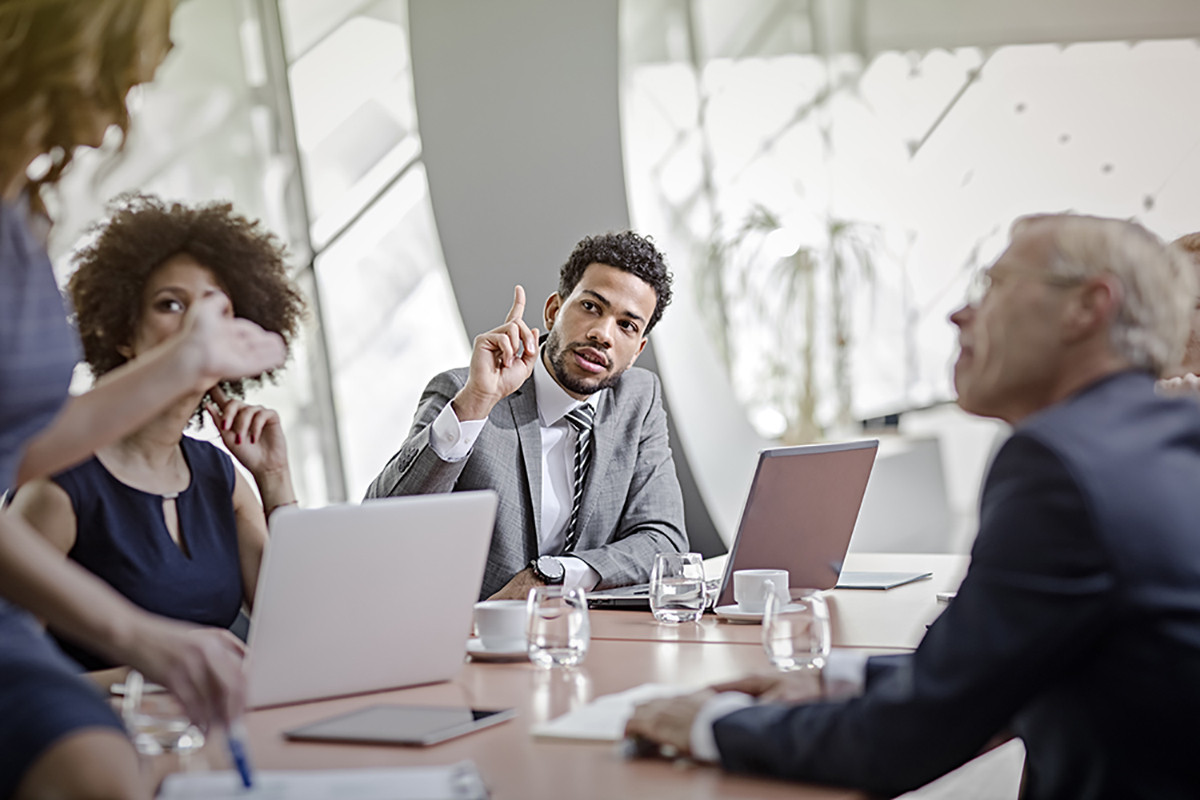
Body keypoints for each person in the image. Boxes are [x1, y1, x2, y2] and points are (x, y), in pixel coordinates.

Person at [626, 214, 1200, 800]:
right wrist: (837, 678)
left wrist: (704, 725)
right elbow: (993, 672)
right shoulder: (1169, 441)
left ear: (1088, 306)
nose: (959, 314)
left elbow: (906, 740)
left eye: (994, 285)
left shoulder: (1060, 466)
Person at [0, 1, 286, 798]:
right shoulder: (70, 493)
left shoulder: (26, 212)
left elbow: (20, 442)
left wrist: (276, 480)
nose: (137, 94)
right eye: (129, 70)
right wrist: (142, 647)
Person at [10, 193, 306, 671]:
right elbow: (13, 676)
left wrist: (275, 482)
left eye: (219, 310)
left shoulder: (221, 477)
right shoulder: (61, 486)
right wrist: (154, 677)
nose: (199, 326)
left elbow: (303, 635)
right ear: (121, 333)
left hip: (213, 733)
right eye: (171, 304)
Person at [366, 231, 687, 600]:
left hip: (584, 639)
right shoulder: (464, 390)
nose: (602, 334)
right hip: (466, 639)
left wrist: (552, 576)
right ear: (554, 310)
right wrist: (478, 400)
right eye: (591, 307)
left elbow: (664, 542)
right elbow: (382, 525)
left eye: (627, 325)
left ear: (637, 350)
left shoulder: (638, 398)